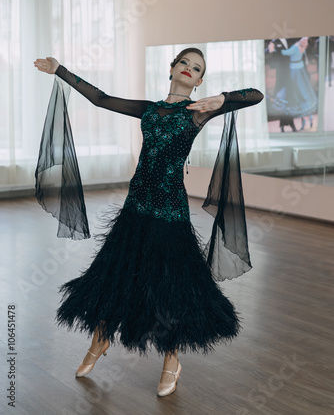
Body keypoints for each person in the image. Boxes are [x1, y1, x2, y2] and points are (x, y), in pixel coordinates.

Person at [34, 48, 263, 397]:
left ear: (200, 80)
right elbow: (101, 99)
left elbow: (256, 95)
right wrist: (59, 70)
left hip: (170, 213)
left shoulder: (199, 112)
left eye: (196, 68)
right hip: (136, 206)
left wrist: (222, 98)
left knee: (170, 289)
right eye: (184, 63)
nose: (189, 69)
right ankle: (100, 341)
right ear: (172, 69)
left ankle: (172, 360)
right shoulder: (150, 109)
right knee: (116, 277)